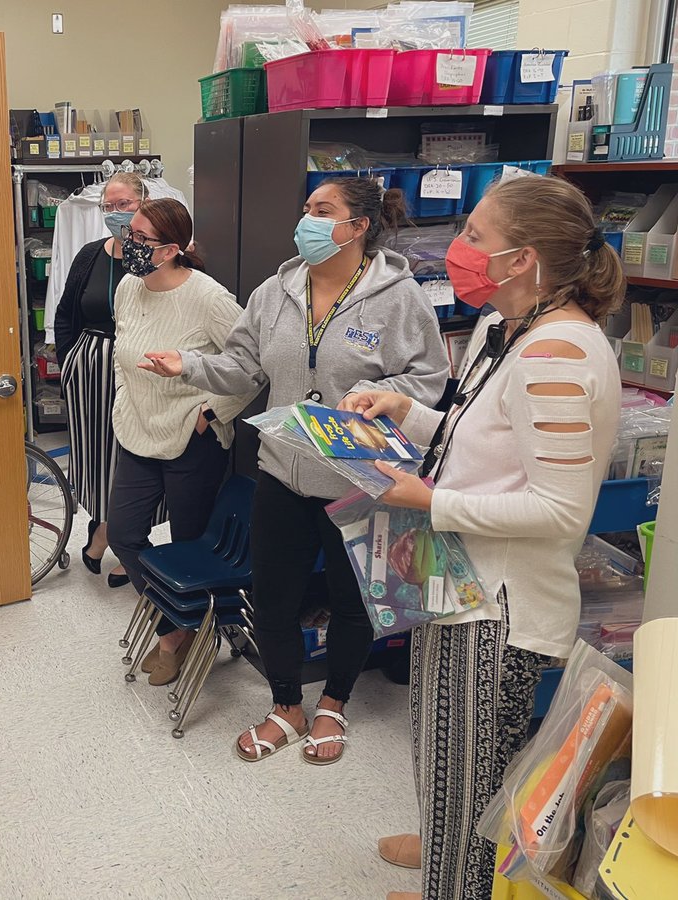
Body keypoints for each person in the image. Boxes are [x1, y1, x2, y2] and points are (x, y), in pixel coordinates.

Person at [340, 177, 624, 900]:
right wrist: (409, 411)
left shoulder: (555, 353)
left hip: (499, 610)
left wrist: (430, 502)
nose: (457, 249)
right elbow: (485, 445)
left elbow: (561, 510)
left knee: (471, 794)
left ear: (521, 259)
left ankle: (456, 885)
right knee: (448, 771)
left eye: (474, 235)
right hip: (458, 584)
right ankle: (444, 872)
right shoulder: (510, 330)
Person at [140, 178, 449, 762]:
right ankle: (286, 705)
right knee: (273, 595)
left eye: (322, 211)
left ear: (357, 227)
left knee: (351, 598)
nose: (306, 220)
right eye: (305, 207)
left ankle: (333, 704)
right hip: (283, 472)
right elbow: (242, 368)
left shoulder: (399, 297)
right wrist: (190, 367)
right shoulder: (275, 291)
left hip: (360, 476)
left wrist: (380, 392)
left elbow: (429, 379)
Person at [107, 197, 255, 686]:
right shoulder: (128, 287)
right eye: (129, 232)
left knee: (189, 543)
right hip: (136, 429)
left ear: (171, 249)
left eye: (140, 238)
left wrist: (213, 411)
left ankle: (182, 634)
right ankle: (178, 626)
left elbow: (252, 367)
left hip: (192, 438)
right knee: (125, 533)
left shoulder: (208, 298)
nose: (127, 244)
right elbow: (122, 353)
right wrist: (124, 400)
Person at [55, 172, 156, 589]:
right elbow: (65, 315)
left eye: (124, 205)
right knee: (95, 456)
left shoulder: (158, 255)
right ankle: (103, 525)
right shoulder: (89, 255)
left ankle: (120, 538)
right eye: (109, 207)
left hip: (139, 372)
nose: (116, 213)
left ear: (143, 203)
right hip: (89, 371)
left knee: (128, 456)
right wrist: (68, 365)